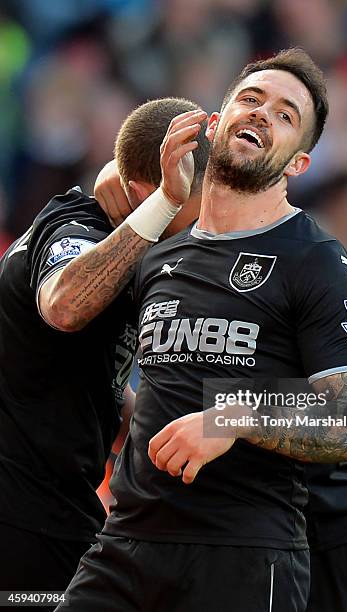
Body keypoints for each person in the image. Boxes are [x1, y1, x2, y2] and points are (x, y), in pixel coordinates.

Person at [57, 48, 347, 612]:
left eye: (285, 115)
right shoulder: (159, 254)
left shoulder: (315, 258)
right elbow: (66, 311)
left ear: (298, 164)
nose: (263, 113)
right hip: (125, 544)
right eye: (251, 99)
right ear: (216, 121)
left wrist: (233, 417)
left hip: (245, 555)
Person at [0, 97, 210, 603]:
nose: (199, 234)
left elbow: (99, 388)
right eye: (189, 214)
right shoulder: (75, 226)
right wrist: (162, 206)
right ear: (148, 192)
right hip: (20, 517)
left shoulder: (141, 256)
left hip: (64, 511)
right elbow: (65, 306)